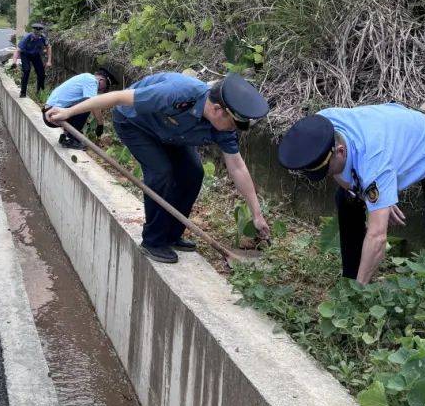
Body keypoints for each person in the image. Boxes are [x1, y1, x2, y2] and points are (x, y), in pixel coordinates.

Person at [47, 72, 271, 264]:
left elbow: (237, 166)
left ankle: (172, 235)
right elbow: (116, 97)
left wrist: (257, 214)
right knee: (161, 172)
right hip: (135, 124)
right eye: (232, 124)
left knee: (193, 173)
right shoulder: (177, 92)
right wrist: (68, 112)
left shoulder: (224, 127)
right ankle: (153, 241)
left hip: (171, 135)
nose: (232, 130)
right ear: (217, 110)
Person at [277, 103, 425, 284]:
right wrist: (376, 199)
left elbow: (377, 238)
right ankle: (350, 276)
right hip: (392, 134)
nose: (328, 175)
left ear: (340, 151)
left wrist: (360, 289)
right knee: (346, 199)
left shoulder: (373, 163)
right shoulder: (322, 127)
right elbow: (338, 172)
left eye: (326, 170)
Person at [41, 68, 116, 148]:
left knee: (82, 104)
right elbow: (93, 104)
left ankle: (65, 137)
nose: (103, 90)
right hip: (52, 115)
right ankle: (72, 139)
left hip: (50, 112)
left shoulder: (85, 77)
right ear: (102, 80)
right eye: (106, 87)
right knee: (86, 106)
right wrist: (100, 124)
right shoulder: (92, 81)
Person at [13, 22, 52, 98]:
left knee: (41, 73)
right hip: (25, 55)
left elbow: (49, 47)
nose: (37, 36)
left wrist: (49, 61)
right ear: (33, 32)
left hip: (35, 55)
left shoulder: (42, 37)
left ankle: (39, 91)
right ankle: (23, 92)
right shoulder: (26, 38)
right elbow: (18, 50)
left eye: (38, 34)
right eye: (35, 34)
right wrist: (14, 62)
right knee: (26, 70)